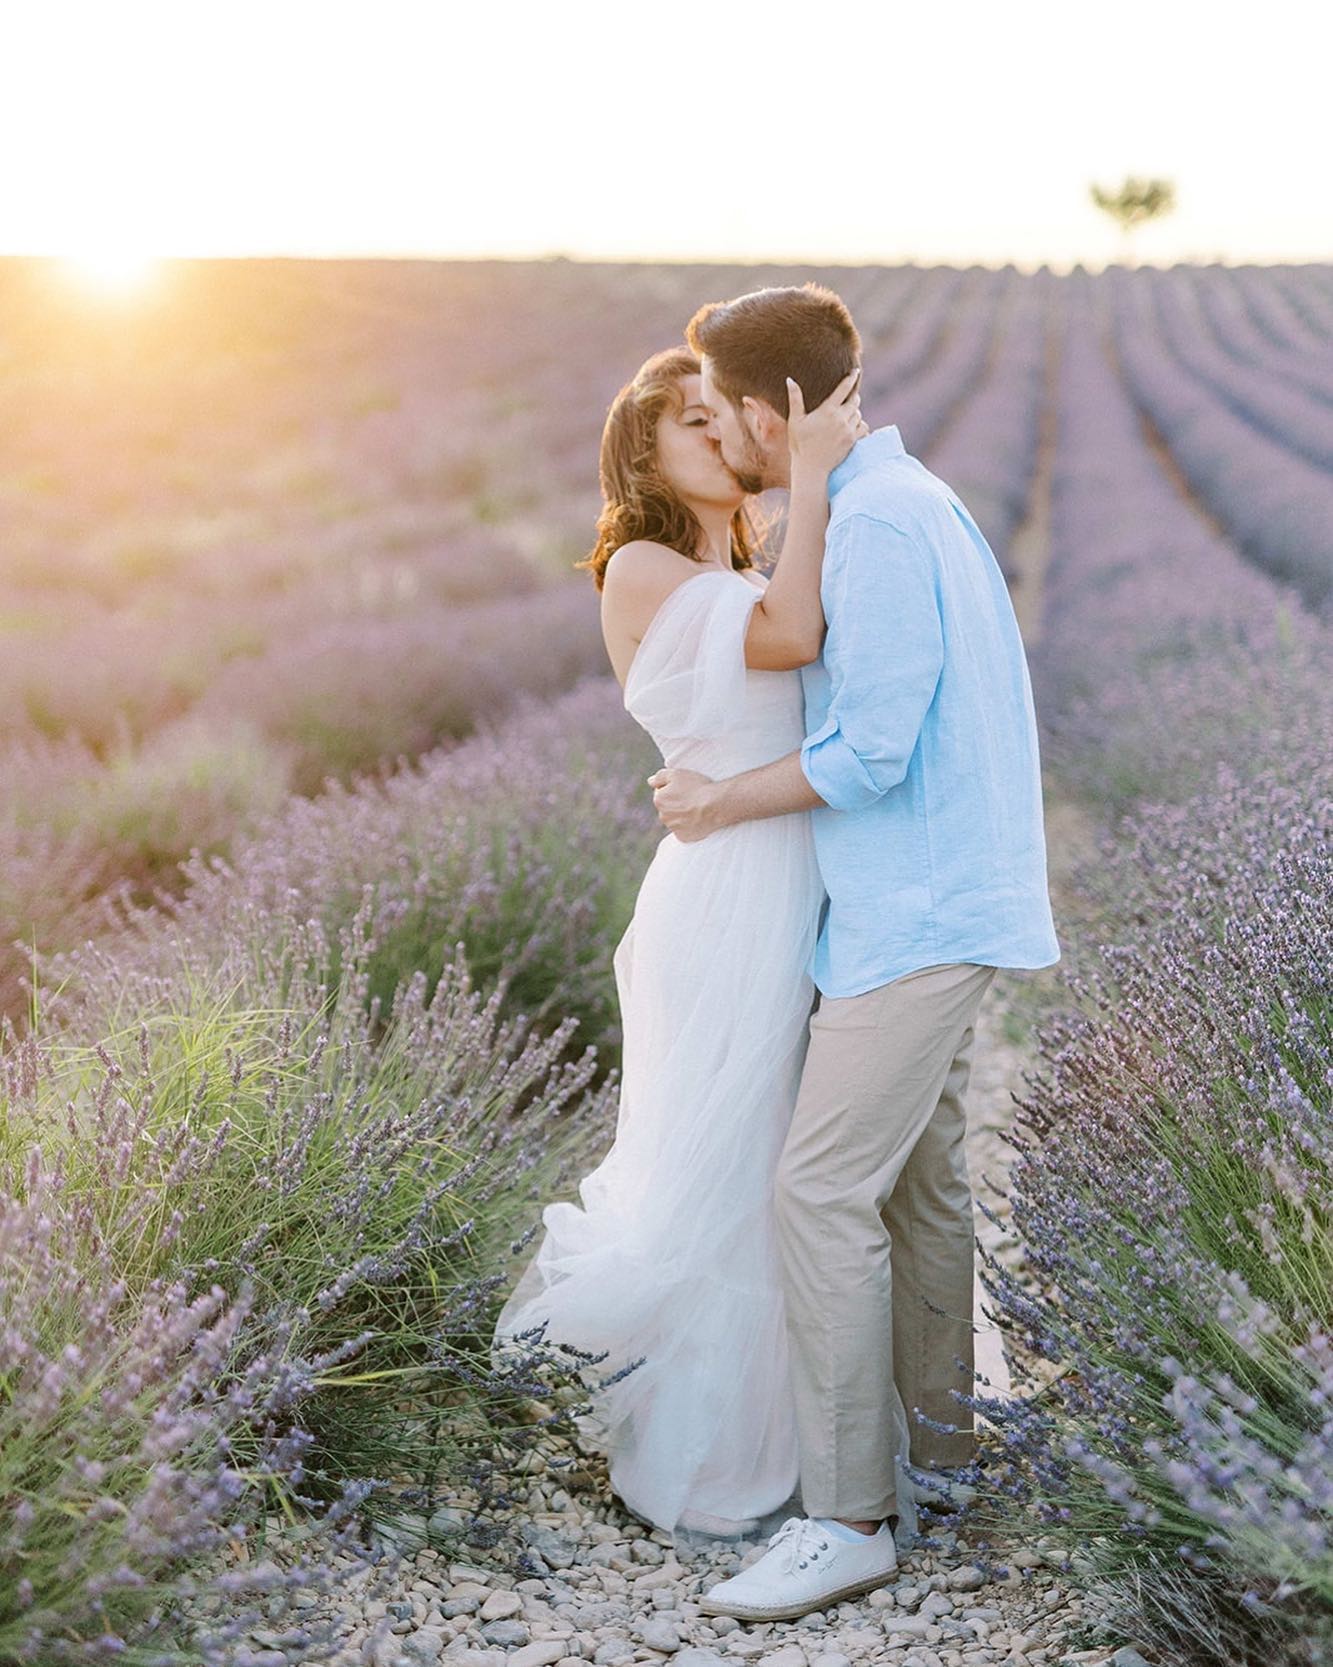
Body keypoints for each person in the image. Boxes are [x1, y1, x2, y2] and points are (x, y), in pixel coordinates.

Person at [647, 284, 1061, 1622]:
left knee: (817, 1190)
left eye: (725, 414)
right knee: (920, 1187)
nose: (722, 438)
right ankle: (940, 1454)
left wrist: (721, 798)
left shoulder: (877, 525)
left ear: (779, 409)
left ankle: (848, 1517)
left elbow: (871, 751)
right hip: (925, 900)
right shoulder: (906, 500)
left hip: (915, 909)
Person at [491, 343, 869, 1555]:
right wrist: (812, 477)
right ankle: (716, 1458)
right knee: (734, 1153)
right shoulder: (644, 563)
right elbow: (797, 632)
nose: (722, 435)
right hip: (726, 893)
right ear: (643, 452)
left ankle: (818, 1434)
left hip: (786, 869)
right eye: (693, 422)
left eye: (726, 417)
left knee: (785, 1152)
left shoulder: (734, 554)